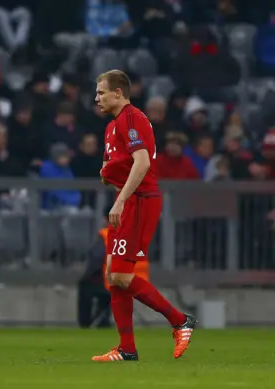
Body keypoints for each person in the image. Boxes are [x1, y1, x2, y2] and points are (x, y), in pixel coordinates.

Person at [93, 69, 196, 362]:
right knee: (114, 275)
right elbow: (113, 170)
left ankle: (180, 321)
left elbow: (141, 163)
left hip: (139, 201)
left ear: (119, 93)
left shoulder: (132, 118)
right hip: (126, 199)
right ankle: (127, 349)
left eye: (101, 92)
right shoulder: (111, 127)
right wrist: (107, 175)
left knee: (122, 275)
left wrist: (121, 200)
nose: (97, 98)